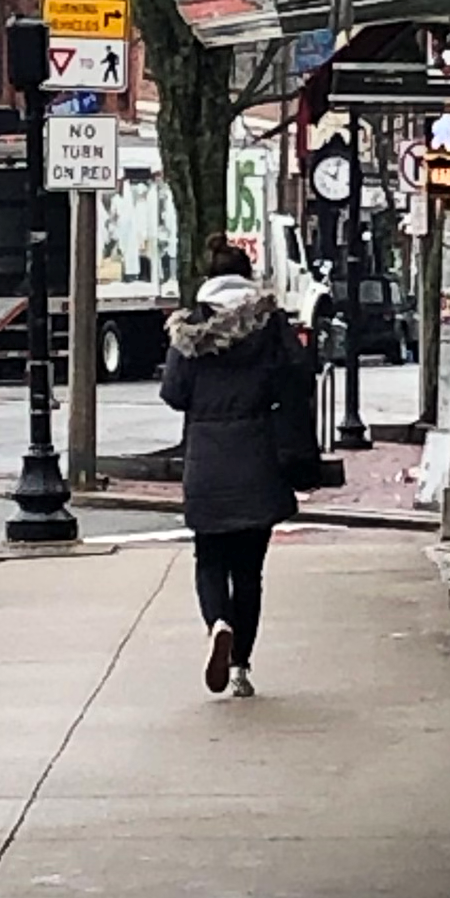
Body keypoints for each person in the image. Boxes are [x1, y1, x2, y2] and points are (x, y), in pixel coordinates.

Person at [157, 242, 315, 697]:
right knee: (249, 570)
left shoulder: (191, 327)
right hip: (257, 455)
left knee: (209, 558)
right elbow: (297, 373)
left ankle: (217, 623)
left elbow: (174, 393)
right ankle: (242, 665)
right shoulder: (269, 324)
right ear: (248, 276)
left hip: (206, 459)